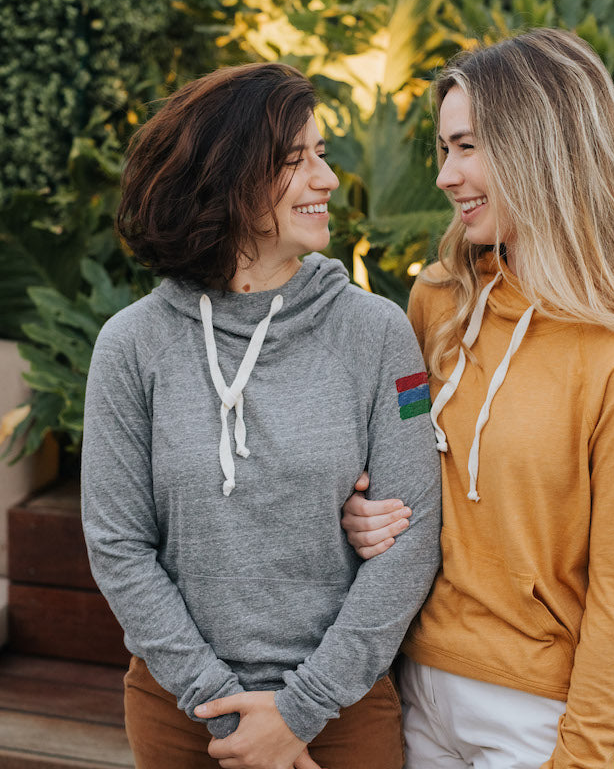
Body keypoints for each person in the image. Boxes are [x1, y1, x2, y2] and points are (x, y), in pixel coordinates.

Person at [341, 28, 614, 769]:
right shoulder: (438, 301)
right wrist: (365, 510)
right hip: (413, 690)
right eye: (444, 148)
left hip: (537, 720)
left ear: (545, 147)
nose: (447, 175)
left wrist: (583, 756)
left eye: (469, 146)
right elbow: (404, 471)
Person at [81, 62, 441, 769]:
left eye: (323, 155)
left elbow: (412, 536)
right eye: (295, 160)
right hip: (182, 710)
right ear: (228, 178)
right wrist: (226, 716)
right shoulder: (131, 346)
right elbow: (118, 546)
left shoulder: (378, 335)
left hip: (342, 707)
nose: (327, 179)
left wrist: (301, 711)